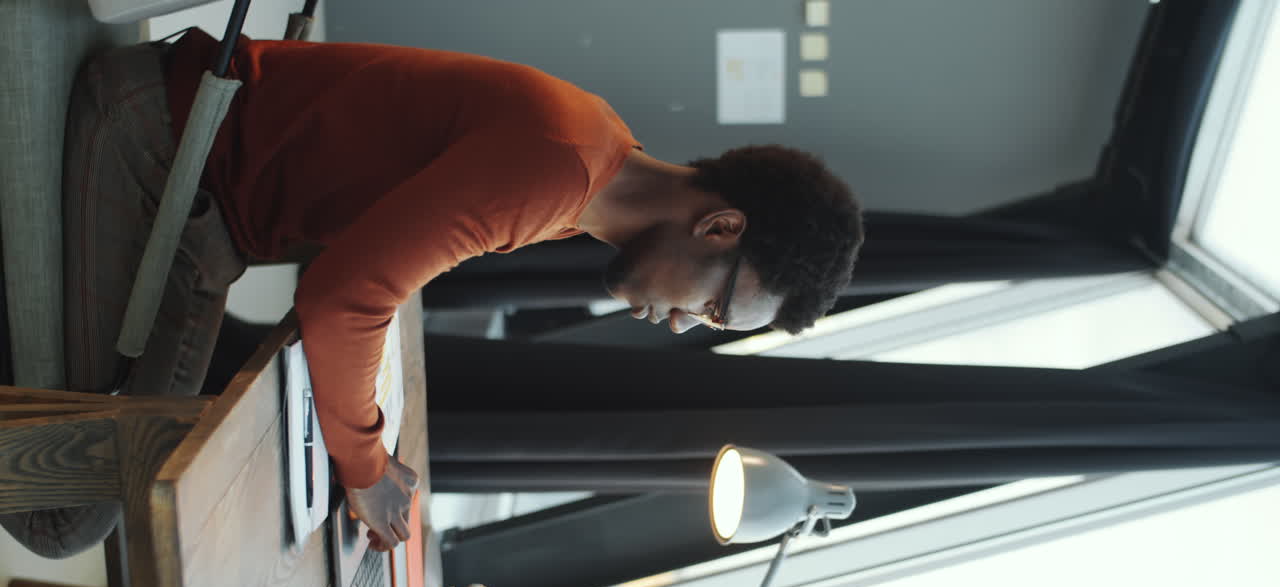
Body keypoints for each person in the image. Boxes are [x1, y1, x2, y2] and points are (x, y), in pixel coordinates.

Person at [0, 29, 863, 559]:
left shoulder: (594, 157)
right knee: (73, 510)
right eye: (710, 307)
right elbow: (344, 299)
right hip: (157, 148)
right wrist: (367, 467)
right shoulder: (555, 171)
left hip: (204, 200)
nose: (680, 325)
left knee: (176, 446)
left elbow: (372, 272)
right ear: (720, 229)